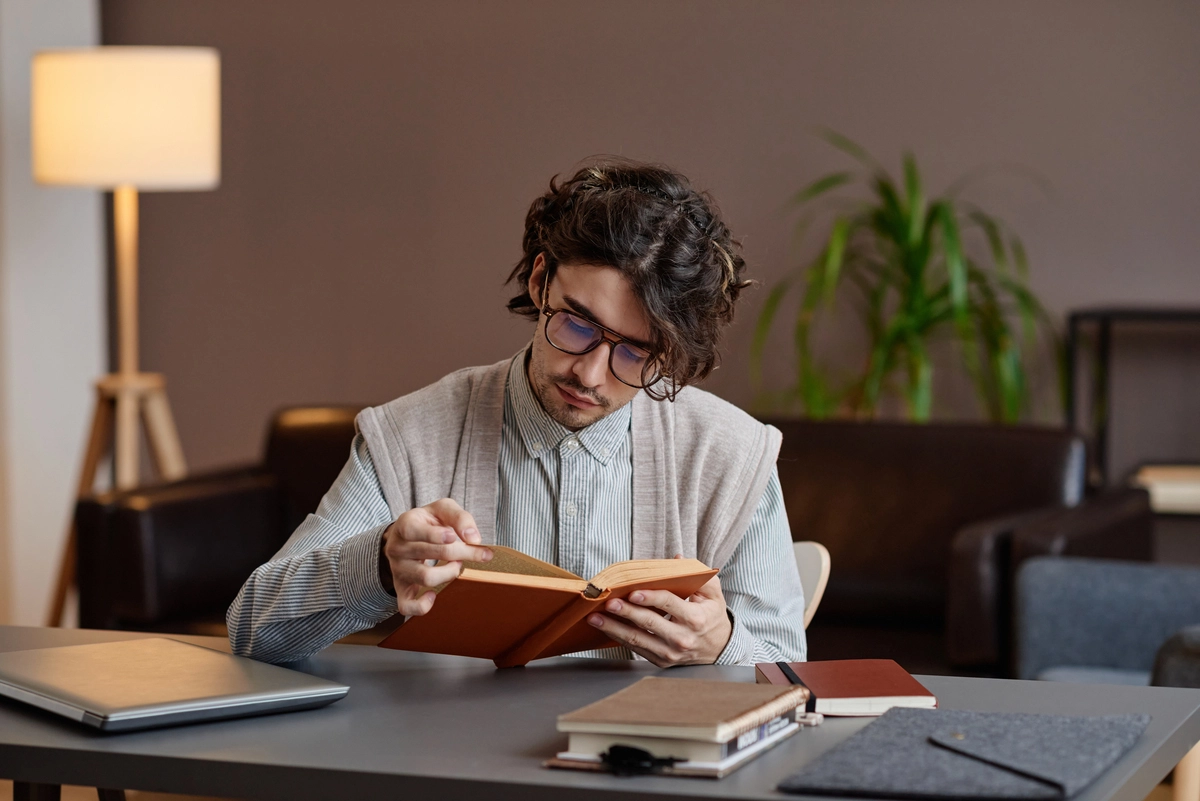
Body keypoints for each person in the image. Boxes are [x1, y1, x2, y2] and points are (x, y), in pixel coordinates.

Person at [227, 159, 807, 666]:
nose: (590, 374)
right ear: (539, 281)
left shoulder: (734, 453)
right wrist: (379, 565)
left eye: (636, 352)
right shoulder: (410, 434)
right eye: (577, 323)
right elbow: (253, 631)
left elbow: (785, 668)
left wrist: (720, 646)